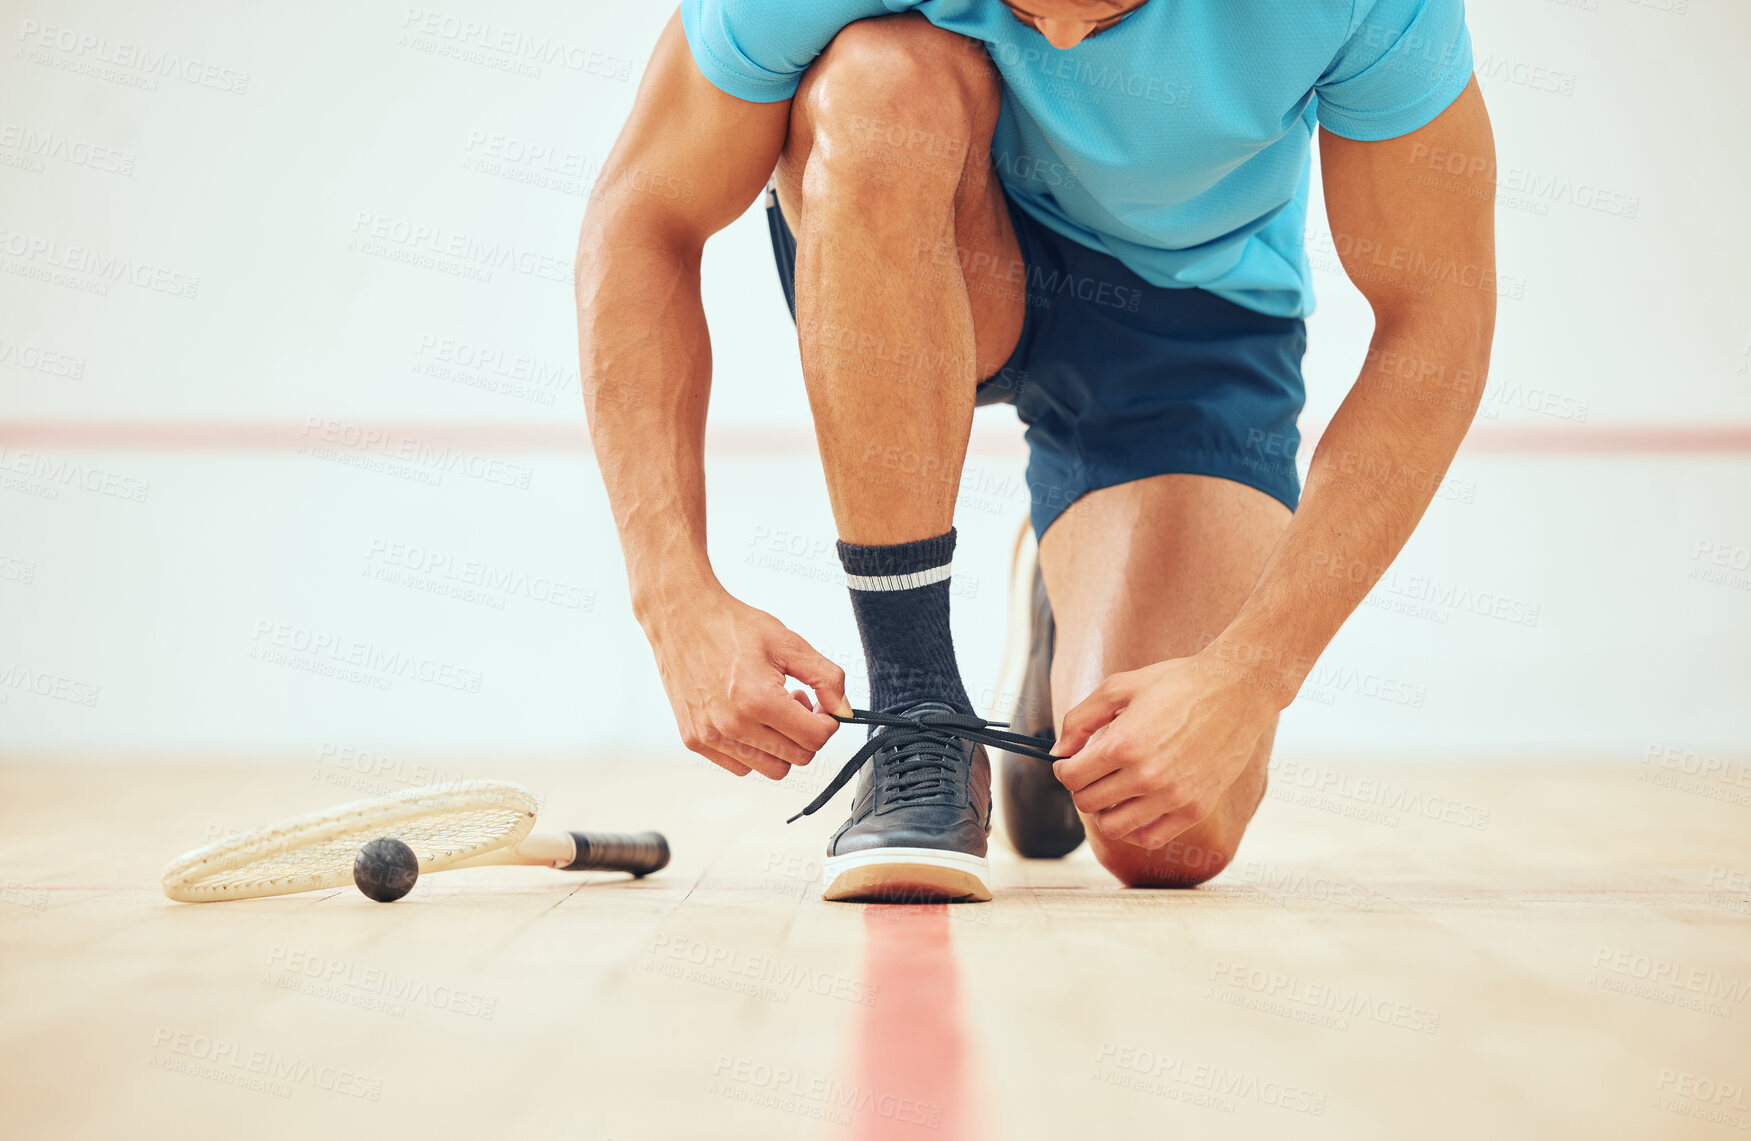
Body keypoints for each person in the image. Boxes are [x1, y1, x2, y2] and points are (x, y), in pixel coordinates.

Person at [575, 0, 1497, 901]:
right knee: (878, 82)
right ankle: (917, 709)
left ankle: (1056, 594)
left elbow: (1436, 322)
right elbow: (643, 217)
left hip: (1189, 310)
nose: (1056, 40)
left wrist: (1252, 676)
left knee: (1165, 838)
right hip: (936, 222)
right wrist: (673, 595)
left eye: (1102, 17)